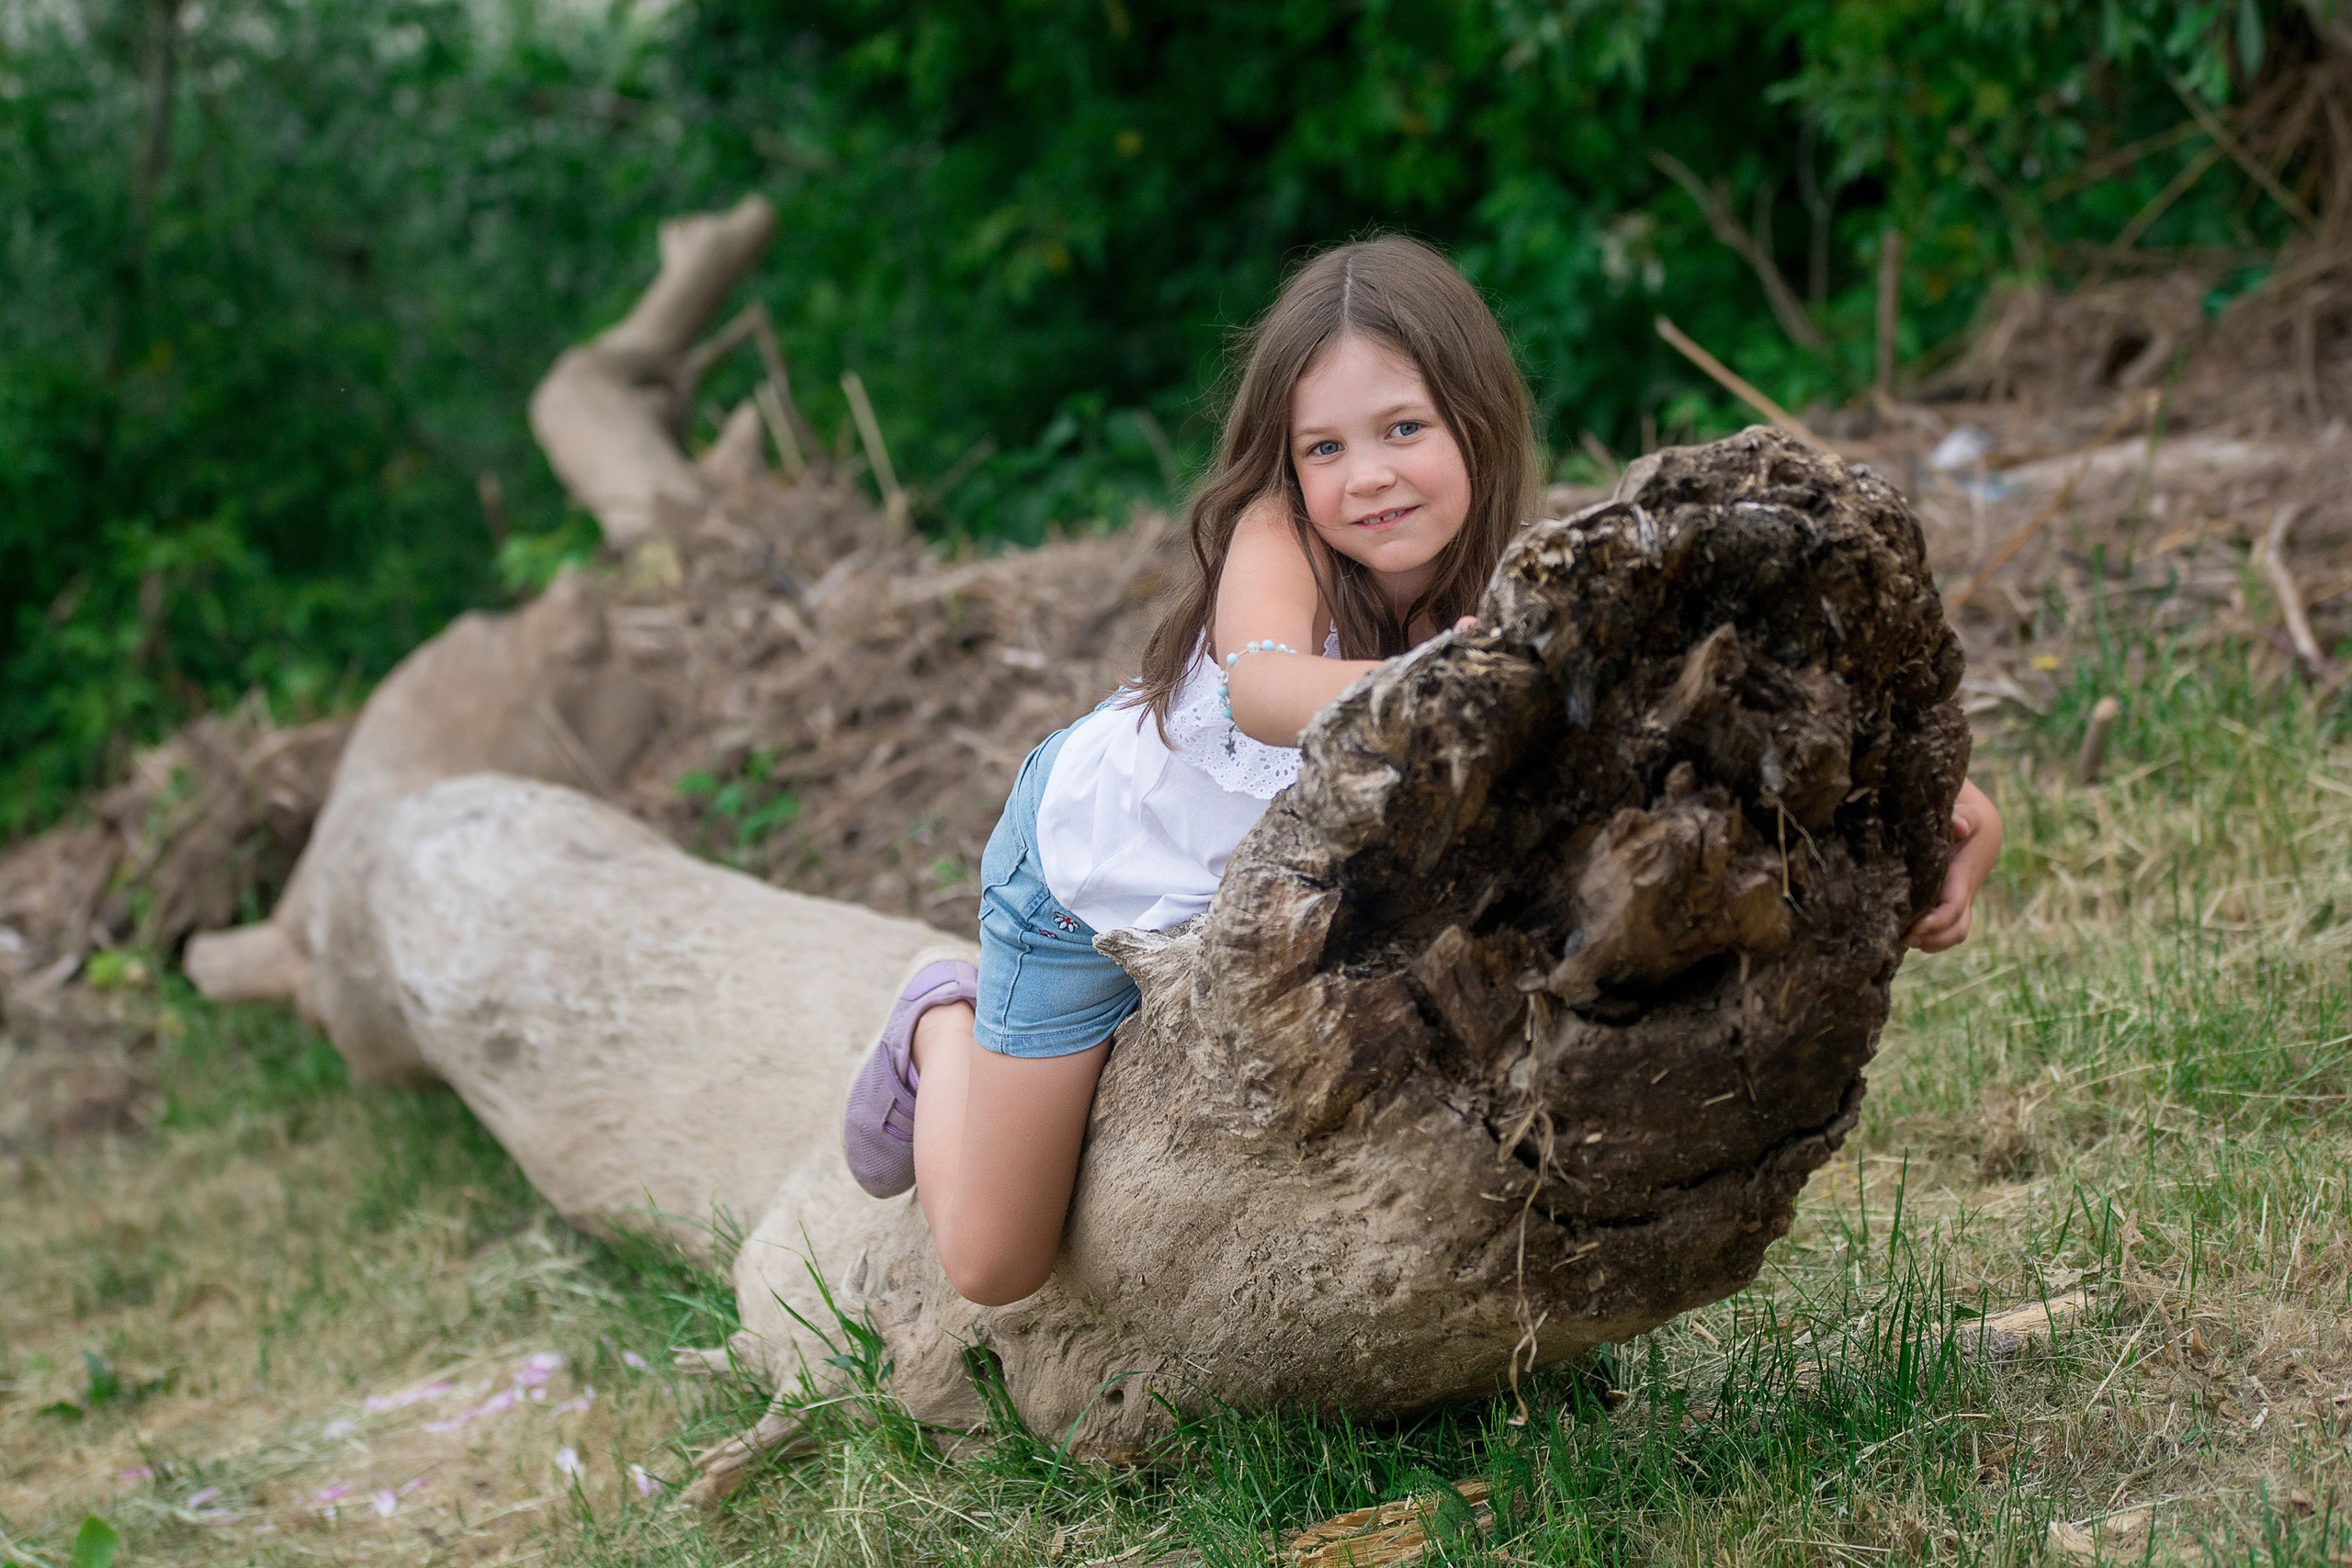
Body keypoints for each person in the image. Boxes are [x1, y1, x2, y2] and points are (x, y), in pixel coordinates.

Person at [842, 236, 2003, 1308]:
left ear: (1473, 421)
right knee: (996, 1262)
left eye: (1404, 429)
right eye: (1325, 449)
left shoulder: (1505, 587)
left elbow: (1678, 712)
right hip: (1084, 875)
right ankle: (939, 1021)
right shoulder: (1277, 535)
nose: (1369, 478)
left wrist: (1931, 802)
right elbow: (1261, 684)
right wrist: (1477, 684)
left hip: (1263, 915)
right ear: (1287, 467)